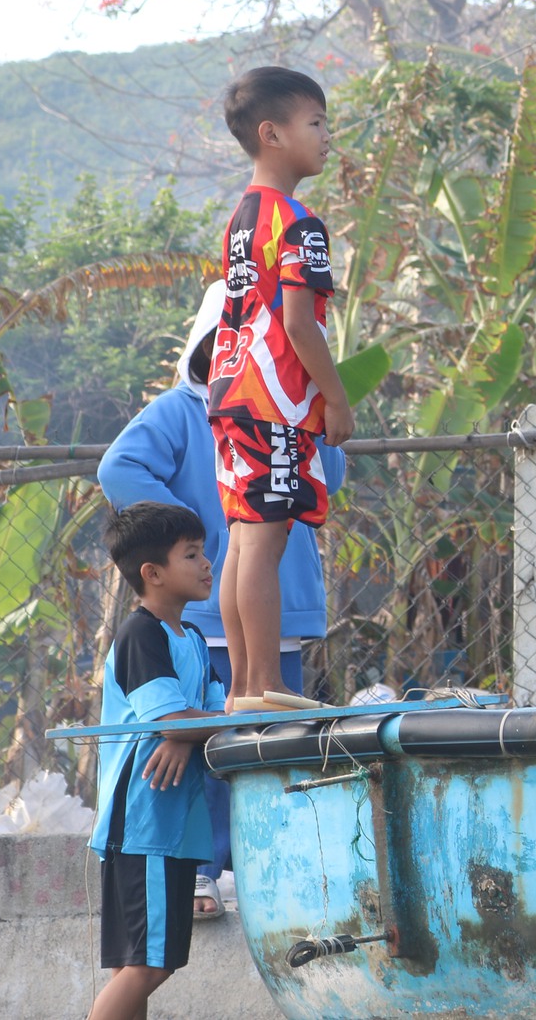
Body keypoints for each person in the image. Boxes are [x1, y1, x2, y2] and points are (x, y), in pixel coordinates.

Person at [97, 281, 347, 918]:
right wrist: (192, 535)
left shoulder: (289, 415)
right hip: (205, 619)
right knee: (207, 749)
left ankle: (261, 869)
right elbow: (118, 468)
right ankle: (204, 871)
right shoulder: (181, 411)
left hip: (281, 607)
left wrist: (312, 421)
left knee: (274, 739)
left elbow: (332, 474)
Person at [206, 66, 353, 709]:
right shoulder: (298, 223)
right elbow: (299, 323)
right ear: (272, 134)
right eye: (316, 123)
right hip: (276, 401)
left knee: (242, 540)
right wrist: (337, 397)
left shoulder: (242, 217)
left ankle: (242, 686)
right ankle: (265, 686)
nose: (327, 137)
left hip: (231, 392)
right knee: (264, 543)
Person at [89, 502, 227, 1020]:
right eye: (191, 554)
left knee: (145, 965)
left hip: (172, 827)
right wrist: (181, 728)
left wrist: (186, 732)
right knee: (148, 966)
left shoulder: (191, 639)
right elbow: (174, 720)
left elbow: (209, 714)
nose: (207, 563)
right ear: (152, 574)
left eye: (203, 552)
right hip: (142, 825)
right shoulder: (141, 635)